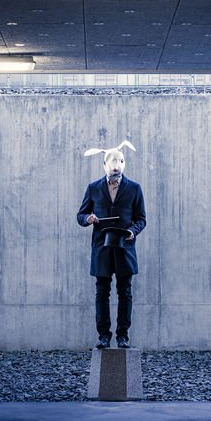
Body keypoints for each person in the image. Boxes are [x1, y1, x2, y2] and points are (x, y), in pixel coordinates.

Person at [77, 141, 146, 349]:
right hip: (102, 248)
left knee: (125, 292)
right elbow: (80, 215)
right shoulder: (93, 188)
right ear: (104, 164)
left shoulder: (134, 188)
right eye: (111, 163)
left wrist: (133, 231)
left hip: (124, 247)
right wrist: (88, 218)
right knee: (101, 292)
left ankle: (123, 335)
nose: (115, 167)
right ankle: (104, 336)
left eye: (119, 162)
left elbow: (141, 219)